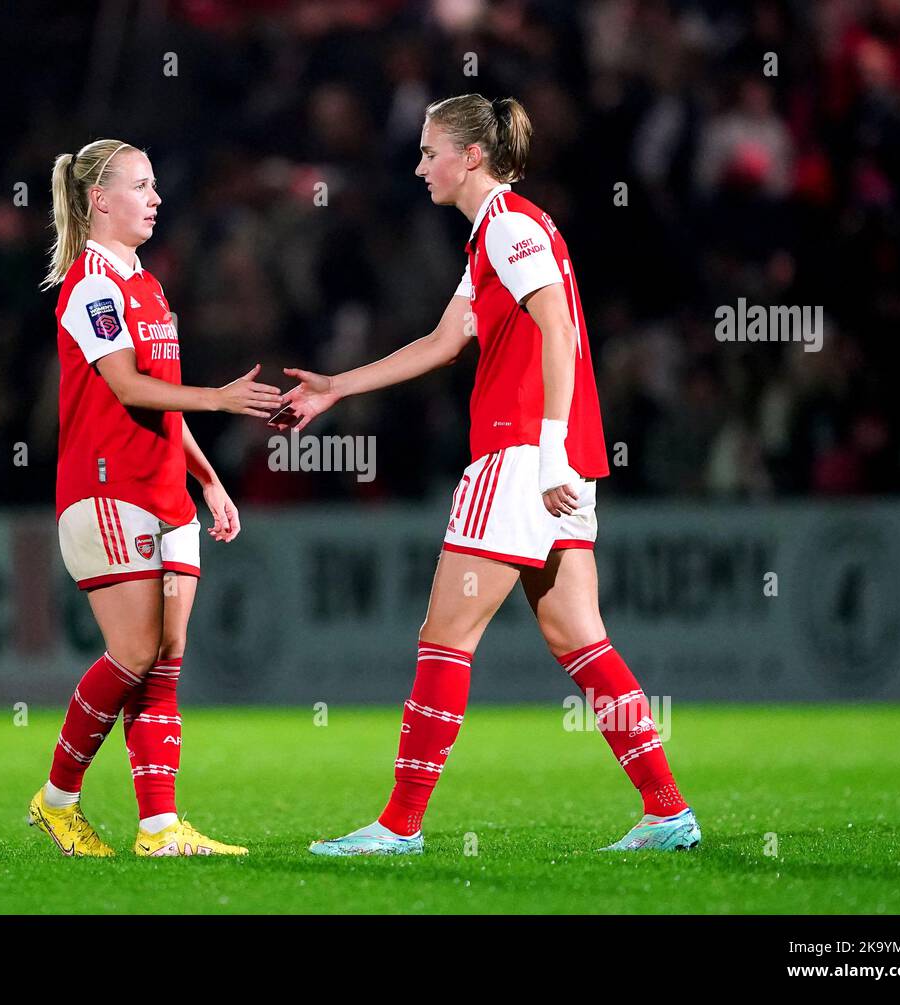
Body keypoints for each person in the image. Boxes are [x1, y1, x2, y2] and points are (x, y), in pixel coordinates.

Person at [277, 96, 701, 855]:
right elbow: (444, 342)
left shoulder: (508, 227)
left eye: (430, 150)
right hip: (557, 458)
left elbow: (561, 332)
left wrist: (541, 455)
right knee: (580, 635)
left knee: (444, 636)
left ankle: (399, 826)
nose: (418, 165)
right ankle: (668, 810)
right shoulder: (497, 235)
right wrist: (338, 385)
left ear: (471, 155)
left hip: (521, 457)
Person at [28, 138, 283, 857]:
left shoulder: (148, 284)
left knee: (165, 659)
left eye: (155, 184)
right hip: (107, 489)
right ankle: (56, 800)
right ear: (100, 201)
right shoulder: (91, 284)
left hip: (166, 491)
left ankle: (160, 827)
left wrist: (208, 479)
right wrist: (220, 399)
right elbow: (128, 387)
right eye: (142, 185)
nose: (157, 197)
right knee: (134, 649)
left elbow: (161, 407)